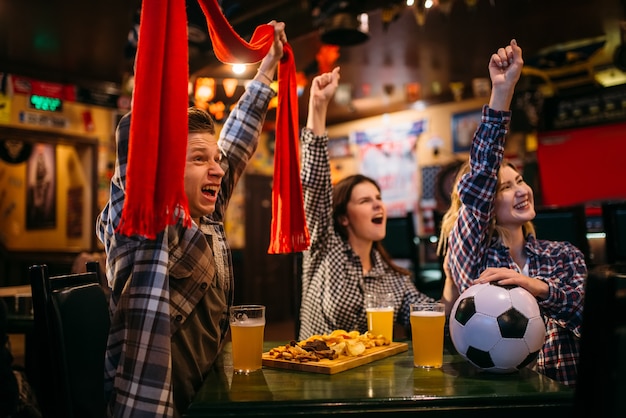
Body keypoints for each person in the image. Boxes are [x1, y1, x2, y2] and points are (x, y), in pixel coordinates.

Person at [96, 21, 287, 418]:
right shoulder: (148, 230)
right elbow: (137, 138)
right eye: (200, 159)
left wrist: (267, 69)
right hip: (155, 407)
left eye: (214, 159)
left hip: (208, 400)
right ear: (162, 168)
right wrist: (159, 41)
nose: (217, 169)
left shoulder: (206, 221)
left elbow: (235, 144)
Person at [438, 39, 586, 387]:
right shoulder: (473, 258)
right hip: (498, 398)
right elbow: (479, 183)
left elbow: (590, 309)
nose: (521, 189)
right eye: (505, 187)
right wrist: (502, 92)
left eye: (520, 180)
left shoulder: (563, 255)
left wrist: (538, 287)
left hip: (568, 393)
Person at [298, 67, 434, 341]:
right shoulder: (325, 248)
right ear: (343, 217)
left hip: (368, 382)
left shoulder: (391, 276)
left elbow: (427, 312)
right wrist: (318, 106)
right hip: (314, 376)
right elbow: (314, 185)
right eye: (365, 200)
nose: (378, 206)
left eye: (379, 199)